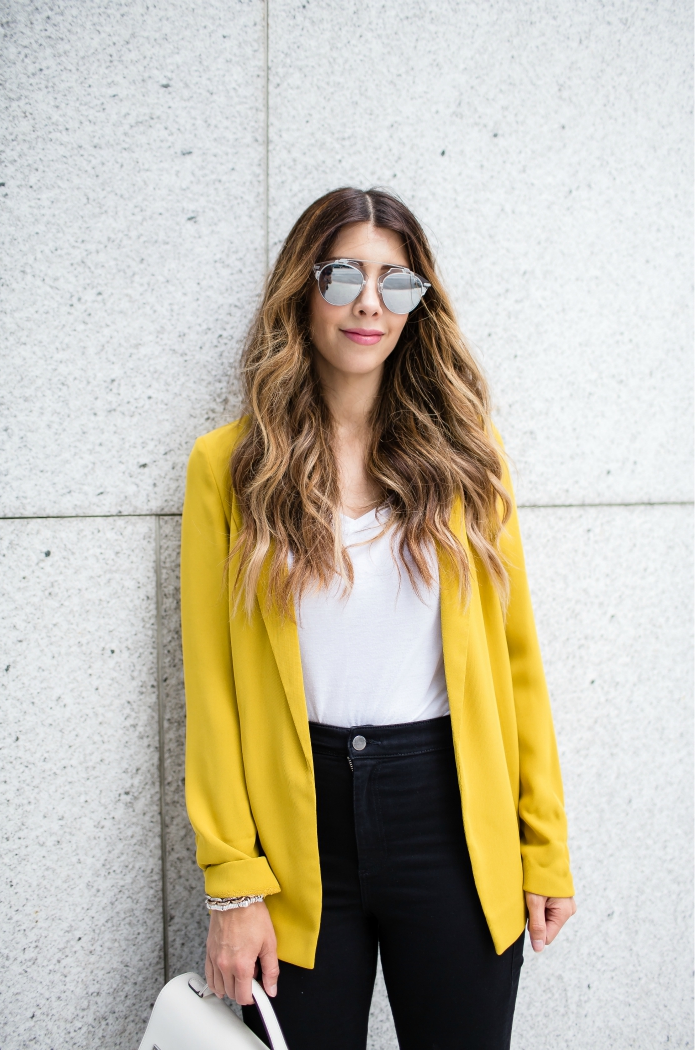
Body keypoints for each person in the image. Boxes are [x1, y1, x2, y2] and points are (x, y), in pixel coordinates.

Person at [180, 187, 576, 1050]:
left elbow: (519, 664)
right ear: (301, 290)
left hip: (452, 817)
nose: (370, 302)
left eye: (397, 282)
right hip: (296, 832)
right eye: (344, 275)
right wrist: (233, 884)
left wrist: (542, 846)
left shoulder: (471, 456)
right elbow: (211, 690)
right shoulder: (228, 469)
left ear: (418, 303)